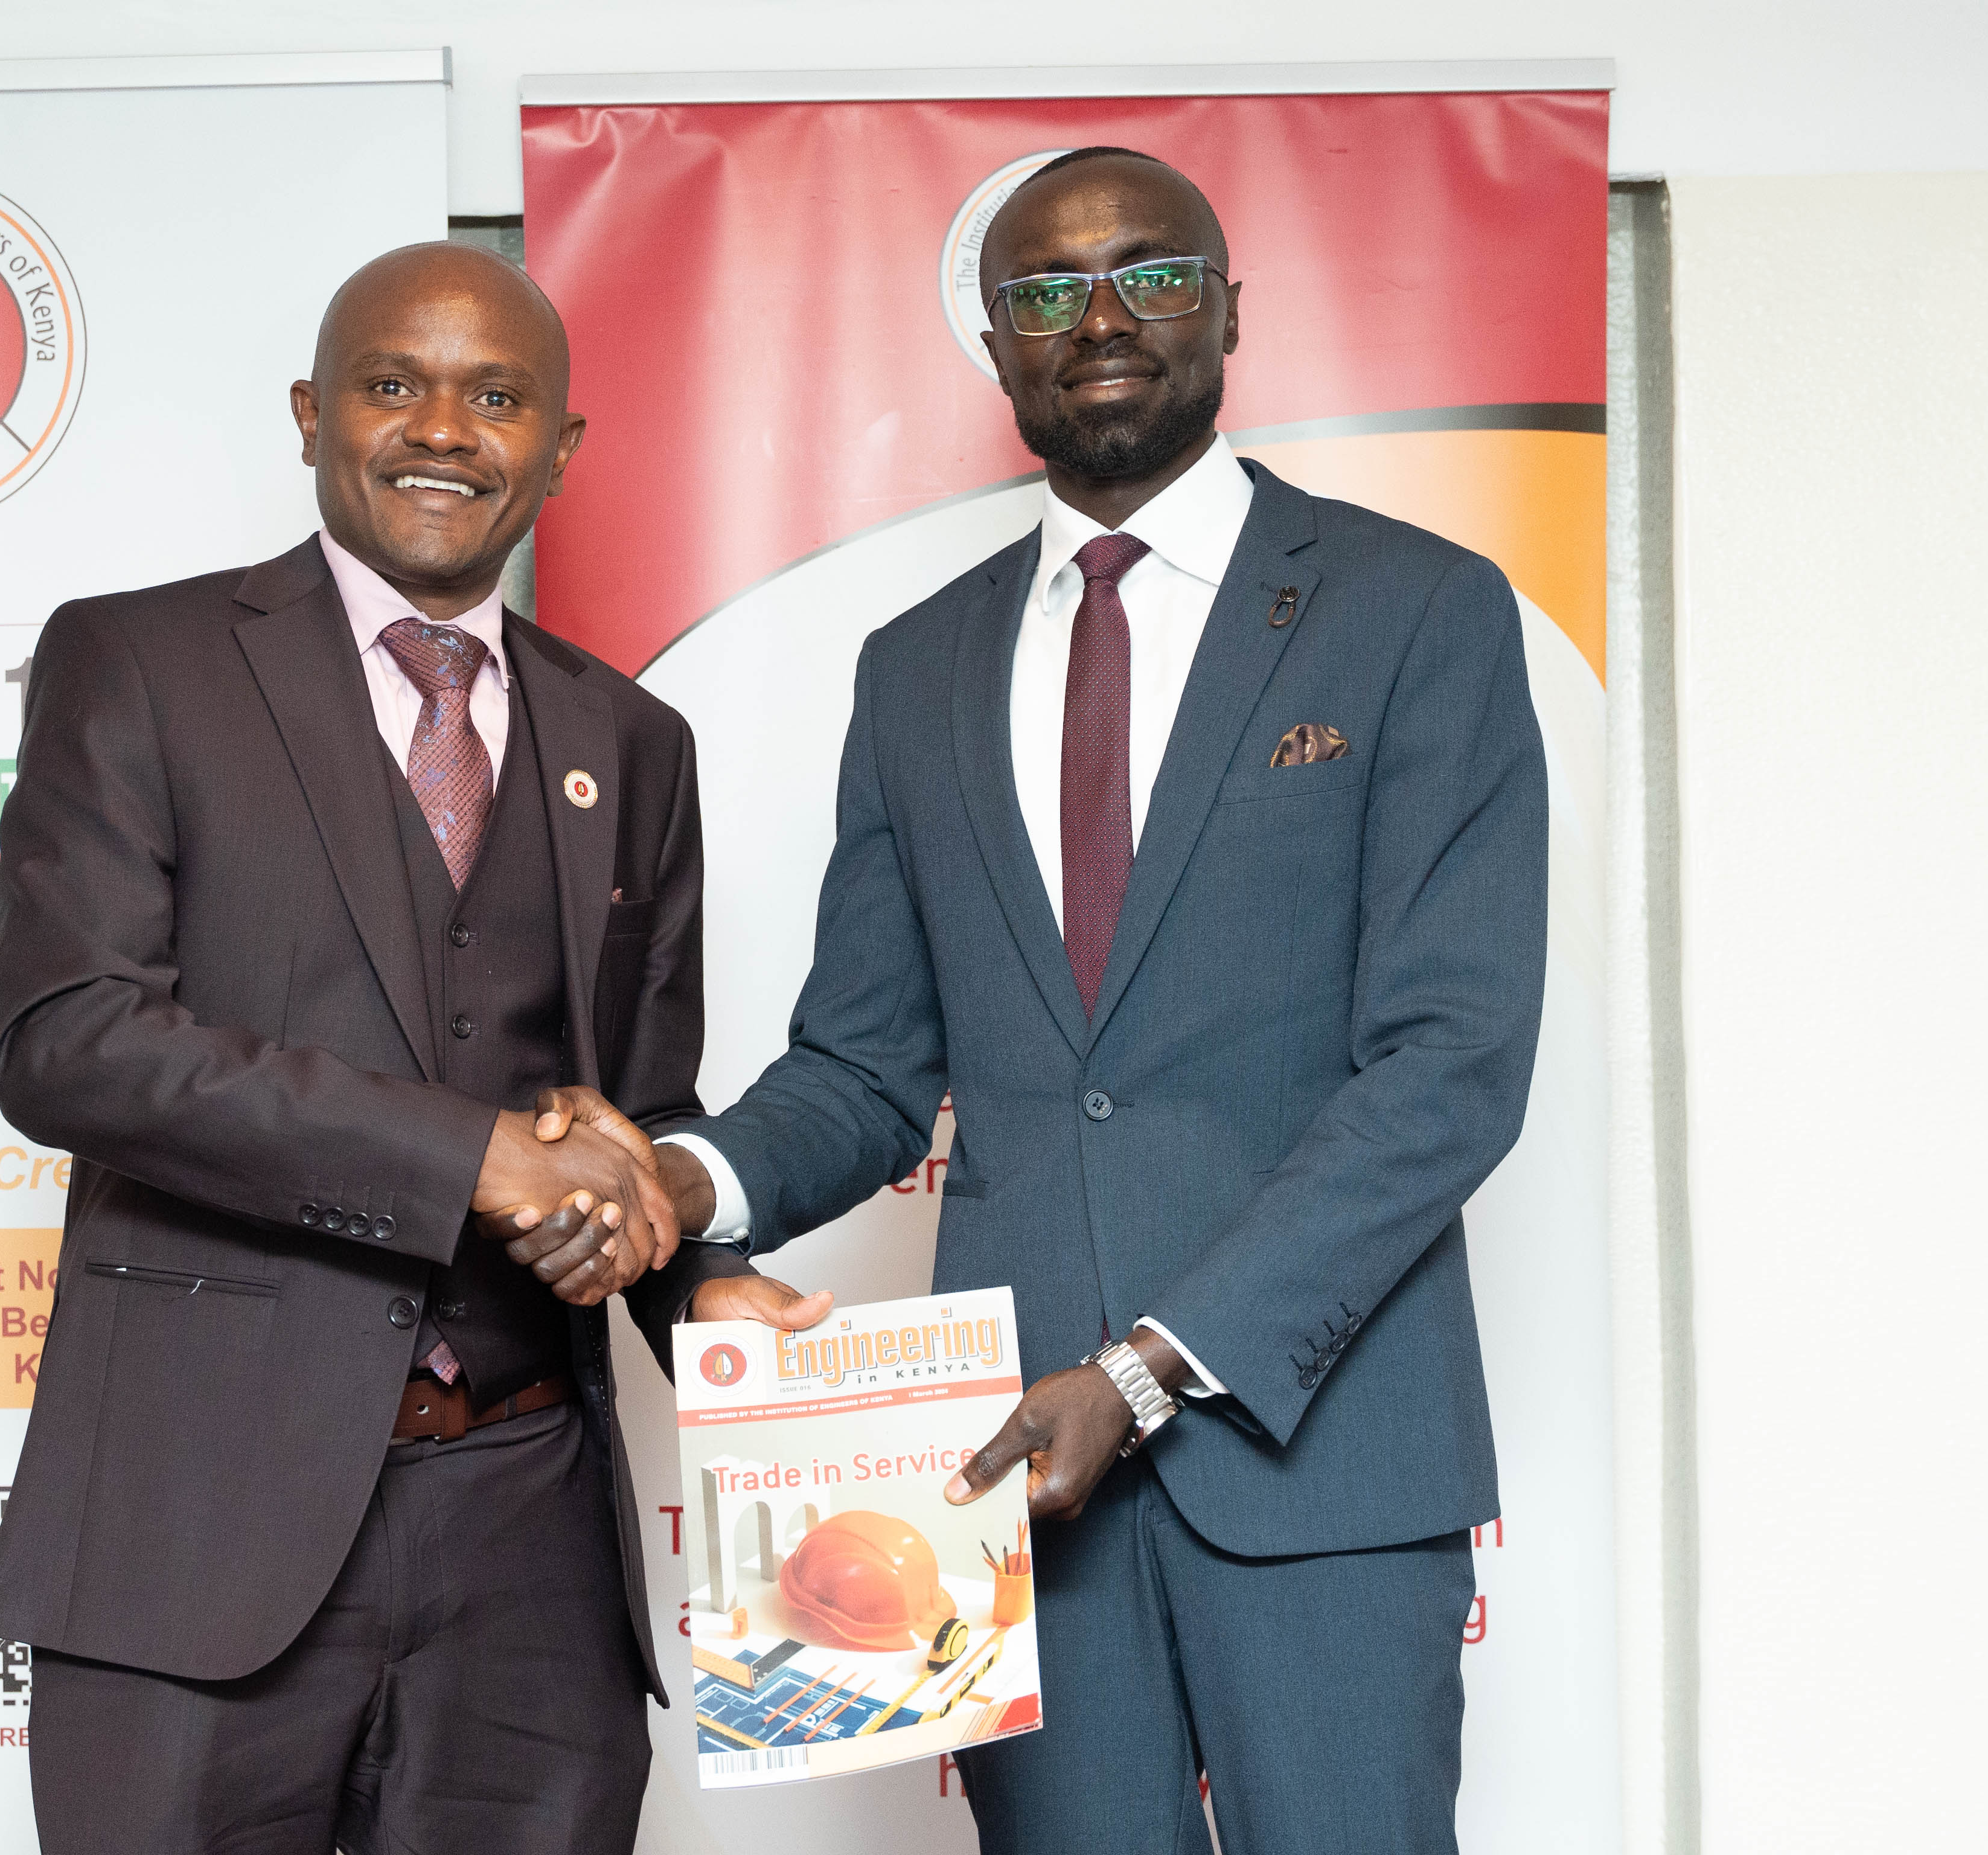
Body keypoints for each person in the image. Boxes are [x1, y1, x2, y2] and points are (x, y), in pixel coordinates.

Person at [629, 149, 1548, 1853]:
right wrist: (680, 1188)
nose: (1101, 319)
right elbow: (863, 1065)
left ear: (1230, 309)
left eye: (1151, 273)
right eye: (1046, 291)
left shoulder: (1417, 614)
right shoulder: (916, 669)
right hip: (1004, 1495)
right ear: (994, 346)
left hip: (1321, 1463)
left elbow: (1452, 1067)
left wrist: (1144, 1372)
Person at [0, 241, 828, 1855]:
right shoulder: (139, 664)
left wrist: (704, 1284)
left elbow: (634, 1113)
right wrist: (479, 1157)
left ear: (561, 449)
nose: (444, 429)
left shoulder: (633, 744)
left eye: (497, 397)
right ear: (311, 415)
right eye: (393, 385)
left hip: (531, 1546)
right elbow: (70, 1042)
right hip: (196, 1534)